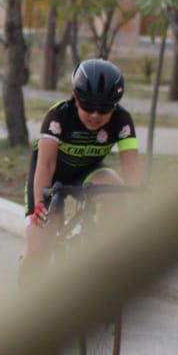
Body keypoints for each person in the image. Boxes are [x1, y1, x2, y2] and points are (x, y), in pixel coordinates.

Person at [21, 58, 143, 277]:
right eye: (88, 106)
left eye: (104, 109)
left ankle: (96, 243)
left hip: (88, 172)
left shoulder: (122, 120)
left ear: (115, 106)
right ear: (76, 97)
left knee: (116, 189)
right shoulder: (58, 117)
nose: (95, 115)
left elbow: (132, 168)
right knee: (39, 250)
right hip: (51, 177)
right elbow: (46, 165)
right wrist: (42, 205)